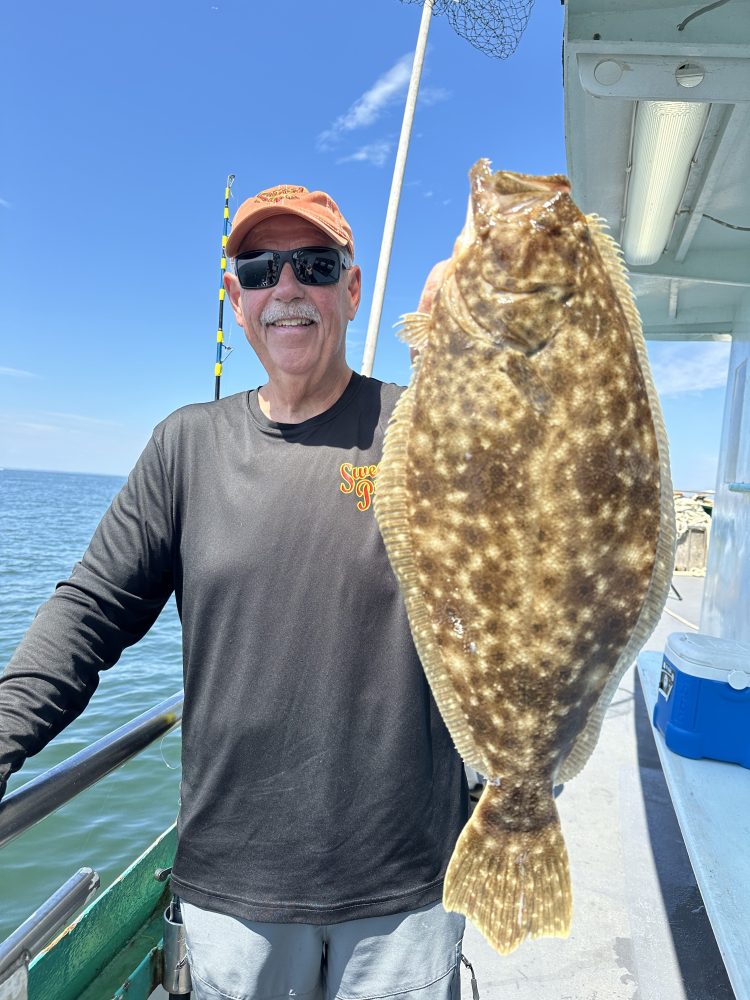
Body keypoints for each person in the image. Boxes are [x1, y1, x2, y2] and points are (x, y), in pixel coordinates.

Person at [0, 183, 469, 999]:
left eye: (314, 264)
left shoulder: (422, 429)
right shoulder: (186, 446)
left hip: (408, 882)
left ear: (351, 291)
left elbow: (531, 513)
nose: (286, 287)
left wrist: (471, 334)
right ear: (236, 299)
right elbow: (90, 610)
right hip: (236, 888)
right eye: (259, 270)